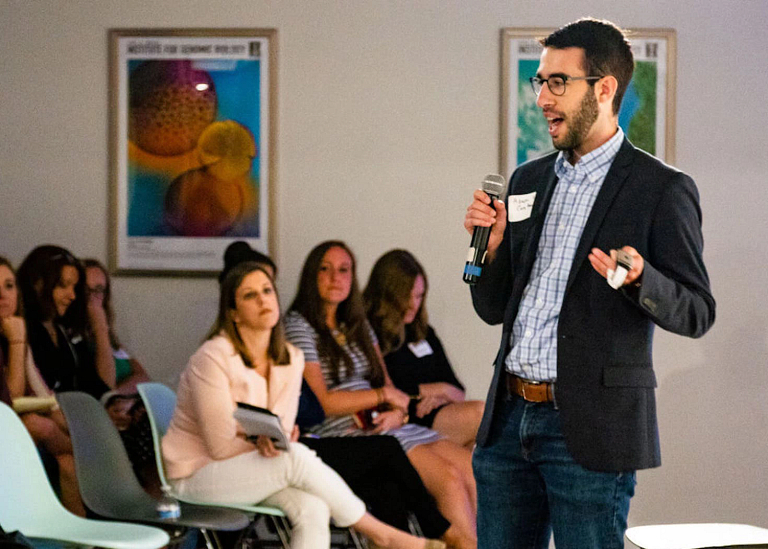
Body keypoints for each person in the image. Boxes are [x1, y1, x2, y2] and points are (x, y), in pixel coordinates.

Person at [464, 18, 716, 549]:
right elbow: (493, 309)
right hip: (509, 423)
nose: (543, 98)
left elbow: (696, 310)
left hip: (588, 432)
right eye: (540, 82)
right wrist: (490, 253)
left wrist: (642, 278)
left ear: (604, 89)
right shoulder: (527, 180)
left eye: (559, 82)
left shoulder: (661, 190)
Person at [161, 261, 445, 549]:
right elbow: (219, 447)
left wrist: (274, 441)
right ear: (233, 313)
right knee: (296, 457)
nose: (263, 300)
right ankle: (384, 535)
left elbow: (281, 432)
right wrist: (267, 443)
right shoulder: (212, 357)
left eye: (267, 291)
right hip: (197, 475)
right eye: (249, 295)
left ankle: (386, 537)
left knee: (314, 508)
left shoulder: (291, 358)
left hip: (257, 468)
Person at [285, 241, 477, 549]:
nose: (336, 278)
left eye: (344, 270)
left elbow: (392, 392)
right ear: (311, 275)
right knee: (450, 479)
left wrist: (397, 412)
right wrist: (382, 396)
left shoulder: (358, 324)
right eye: (326, 269)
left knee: (473, 469)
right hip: (346, 433)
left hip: (386, 425)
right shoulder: (299, 326)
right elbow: (324, 401)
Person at [364, 249, 483, 448]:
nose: (413, 305)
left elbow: (457, 391)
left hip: (437, 411)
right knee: (480, 415)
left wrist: (440, 394)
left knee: (475, 446)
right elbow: (383, 388)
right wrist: (431, 390)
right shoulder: (369, 332)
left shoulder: (422, 332)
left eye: (419, 296)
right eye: (406, 297)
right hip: (405, 416)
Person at [0, 255, 86, 516]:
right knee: (39, 425)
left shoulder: (15, 329)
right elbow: (9, 401)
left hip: (13, 424)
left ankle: (80, 540)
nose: (3, 296)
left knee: (67, 460)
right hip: (7, 425)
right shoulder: (18, 334)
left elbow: (42, 392)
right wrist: (17, 342)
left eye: (9, 286)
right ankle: (95, 456)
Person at [16, 245, 114, 398]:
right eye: (63, 285)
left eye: (74, 287)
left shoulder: (65, 330)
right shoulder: (23, 329)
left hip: (76, 413)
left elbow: (97, 386)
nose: (72, 295)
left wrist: (116, 404)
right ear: (38, 284)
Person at [83, 259, 150, 393]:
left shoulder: (110, 336)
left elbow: (142, 375)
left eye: (99, 290)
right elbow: (106, 386)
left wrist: (119, 394)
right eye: (86, 290)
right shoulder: (75, 340)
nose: (92, 297)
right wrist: (100, 327)